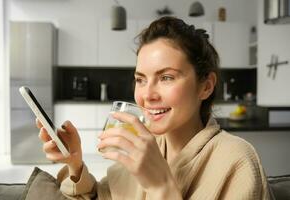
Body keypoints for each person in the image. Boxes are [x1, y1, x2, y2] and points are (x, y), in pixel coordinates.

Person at [37, 16, 269, 199]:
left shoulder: (237, 160)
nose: (147, 95)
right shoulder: (144, 147)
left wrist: (160, 186)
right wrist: (75, 163)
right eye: (140, 79)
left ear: (205, 87)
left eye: (166, 77)